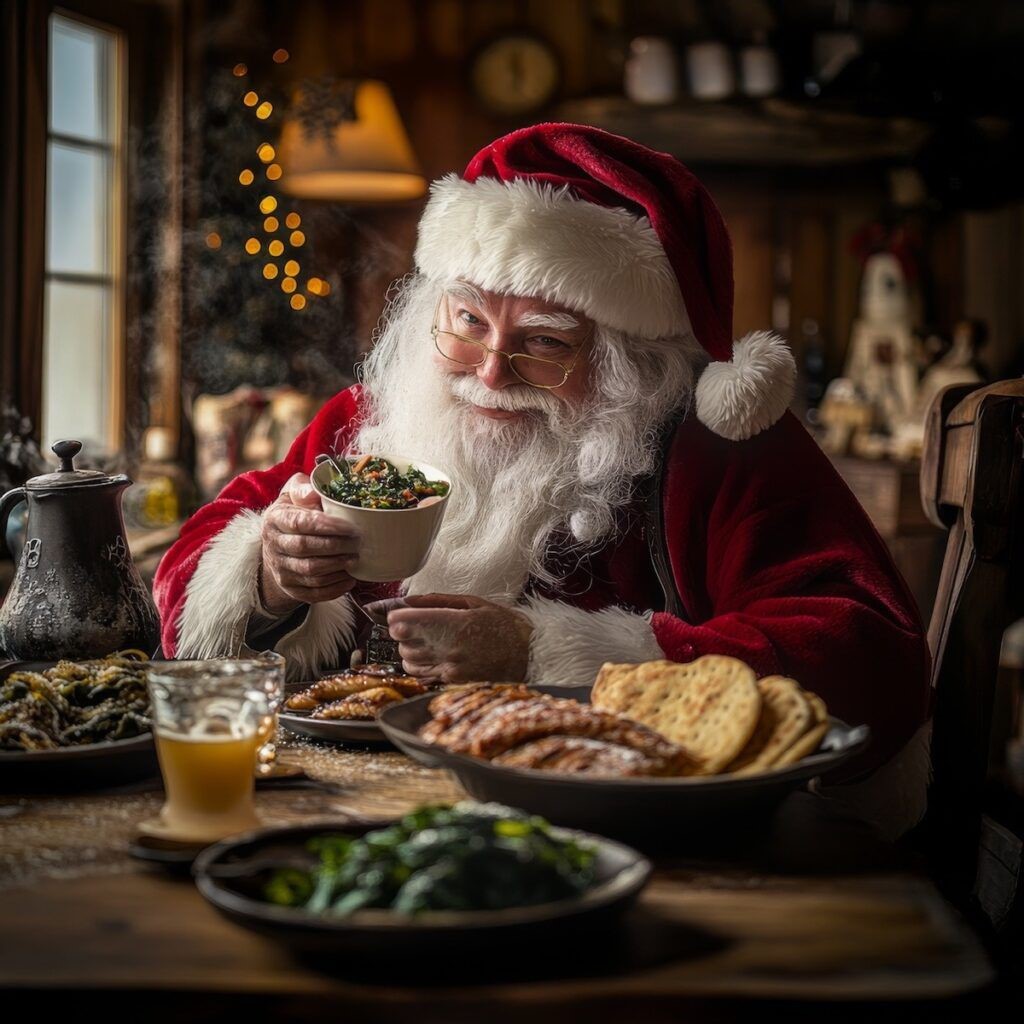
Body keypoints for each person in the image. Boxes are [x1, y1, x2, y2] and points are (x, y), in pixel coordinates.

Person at [154, 124, 932, 839]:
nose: (491, 372)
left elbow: (868, 657)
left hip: (629, 837)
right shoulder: (378, 420)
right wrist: (267, 575)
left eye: (546, 341)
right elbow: (186, 582)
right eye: (467, 322)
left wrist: (549, 656)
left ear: (630, 358)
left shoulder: (718, 446)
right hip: (356, 814)